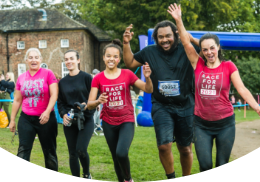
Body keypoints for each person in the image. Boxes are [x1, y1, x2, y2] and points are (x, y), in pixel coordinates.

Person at [167, 3, 260, 172]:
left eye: (212, 48)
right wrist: (178, 19)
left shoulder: (228, 66)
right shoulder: (198, 64)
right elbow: (187, 43)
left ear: (218, 47)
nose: (209, 52)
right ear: (201, 51)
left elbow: (242, 89)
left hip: (225, 124)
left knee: (222, 163)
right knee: (205, 165)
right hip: (201, 124)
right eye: (205, 49)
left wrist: (256, 106)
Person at [123, 18, 200, 179]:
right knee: (164, 146)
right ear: (156, 38)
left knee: (185, 148)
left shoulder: (186, 49)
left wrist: (191, 39)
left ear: (176, 36)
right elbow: (130, 62)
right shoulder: (149, 52)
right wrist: (126, 43)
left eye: (168, 36)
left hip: (186, 105)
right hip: (162, 106)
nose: (164, 40)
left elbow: (208, 51)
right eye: (160, 37)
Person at [87, 39, 153, 182]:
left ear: (119, 59)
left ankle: (128, 179)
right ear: (104, 57)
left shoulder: (127, 74)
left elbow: (148, 89)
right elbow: (89, 104)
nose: (111, 59)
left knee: (121, 153)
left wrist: (148, 78)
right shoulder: (97, 78)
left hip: (126, 120)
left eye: (115, 56)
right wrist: (98, 101)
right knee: (115, 156)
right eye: (108, 56)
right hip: (108, 122)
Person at [9, 48, 58, 171]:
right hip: (26, 119)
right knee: (23, 150)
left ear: (41, 59)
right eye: (30, 58)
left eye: (36, 57)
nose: (33, 60)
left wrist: (47, 112)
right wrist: (12, 120)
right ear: (26, 60)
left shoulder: (48, 73)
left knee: (50, 152)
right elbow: (17, 100)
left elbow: (54, 95)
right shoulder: (21, 77)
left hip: (46, 119)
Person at [57, 50, 95, 179]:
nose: (69, 61)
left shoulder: (86, 77)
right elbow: (60, 102)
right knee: (72, 153)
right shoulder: (62, 82)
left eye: (71, 58)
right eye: (66, 59)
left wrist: (87, 105)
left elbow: (95, 97)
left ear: (78, 60)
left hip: (86, 118)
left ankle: (86, 174)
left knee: (81, 149)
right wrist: (63, 115)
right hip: (70, 120)